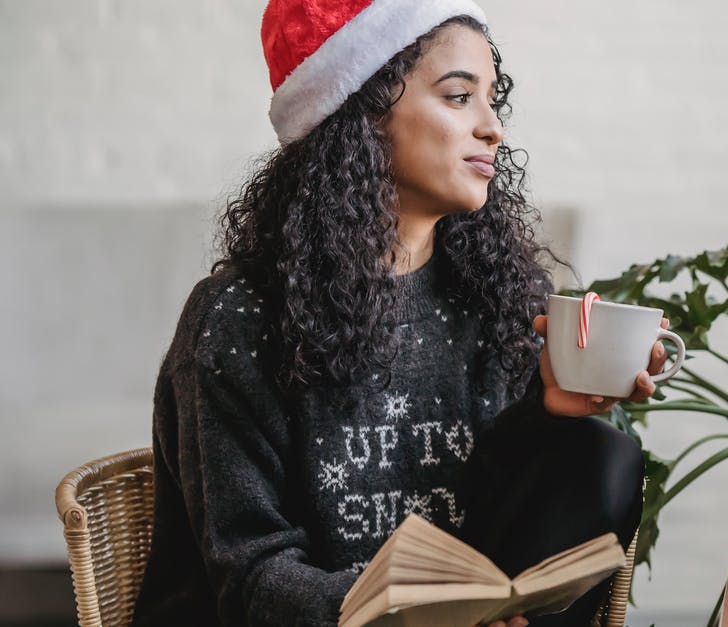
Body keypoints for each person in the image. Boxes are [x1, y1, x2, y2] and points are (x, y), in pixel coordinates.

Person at [131, 1, 661, 625]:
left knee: (600, 457)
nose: (494, 128)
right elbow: (250, 575)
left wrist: (548, 413)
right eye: (460, 96)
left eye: (495, 100)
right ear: (361, 111)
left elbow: (491, 504)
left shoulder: (495, 294)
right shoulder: (240, 319)